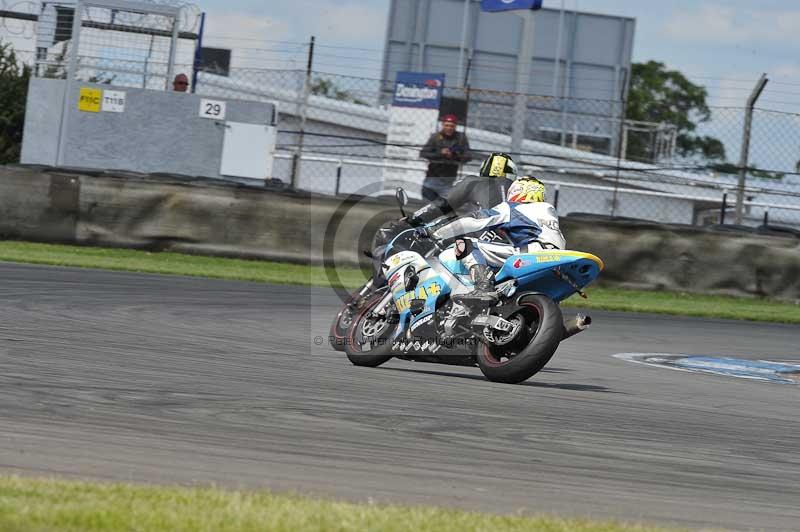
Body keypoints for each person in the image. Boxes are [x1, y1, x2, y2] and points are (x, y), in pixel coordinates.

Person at [423, 175, 566, 304]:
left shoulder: (512, 207)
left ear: (517, 191)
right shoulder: (548, 210)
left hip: (531, 252)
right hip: (558, 257)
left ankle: (483, 286)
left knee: (465, 243)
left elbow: (472, 220)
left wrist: (436, 232)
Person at [419, 114, 472, 201]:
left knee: (446, 209)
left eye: (452, 126)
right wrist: (440, 153)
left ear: (455, 126)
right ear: (442, 125)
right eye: (447, 125)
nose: (449, 128)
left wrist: (454, 155)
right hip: (432, 178)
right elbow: (423, 153)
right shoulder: (435, 137)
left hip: (449, 180)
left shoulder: (460, 138)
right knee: (427, 207)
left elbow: (468, 156)